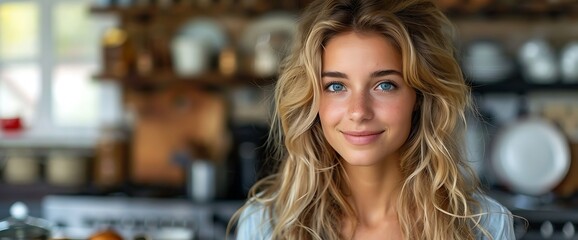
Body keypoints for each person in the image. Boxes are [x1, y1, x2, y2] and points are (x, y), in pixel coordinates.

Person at [229, 0, 516, 239]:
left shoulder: (483, 226)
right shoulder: (265, 226)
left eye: (385, 85)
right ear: (312, 100)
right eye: (336, 86)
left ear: (419, 97)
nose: (358, 111)